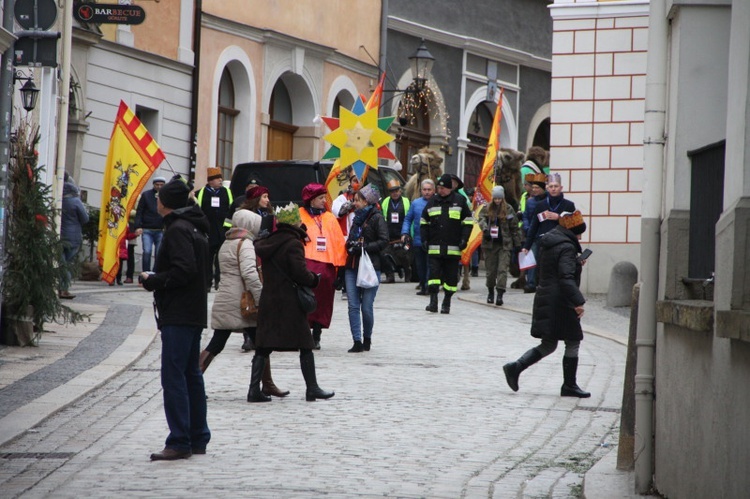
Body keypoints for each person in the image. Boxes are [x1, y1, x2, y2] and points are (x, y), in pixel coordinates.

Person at [140, 175, 211, 460]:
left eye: (160, 197)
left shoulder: (178, 229)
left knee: (175, 376)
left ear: (167, 202)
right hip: (192, 311)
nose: (156, 199)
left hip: (180, 313)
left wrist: (153, 279)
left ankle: (180, 440)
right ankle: (197, 437)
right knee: (191, 374)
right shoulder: (194, 226)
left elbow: (184, 271)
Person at [249, 203, 334, 403]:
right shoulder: (293, 243)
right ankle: (312, 388)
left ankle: (253, 390)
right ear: (293, 221)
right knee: (305, 345)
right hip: (289, 303)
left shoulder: (267, 242)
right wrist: (315, 279)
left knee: (263, 347)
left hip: (270, 300)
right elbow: (300, 273)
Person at [198, 209, 288, 397]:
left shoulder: (228, 242)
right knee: (261, 344)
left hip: (226, 299)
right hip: (242, 303)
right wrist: (261, 297)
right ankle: (264, 385)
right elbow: (249, 274)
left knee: (218, 343)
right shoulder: (245, 244)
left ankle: (193, 381)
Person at [502, 210, 591, 398]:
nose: (580, 236)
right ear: (573, 231)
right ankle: (569, 385)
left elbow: (550, 270)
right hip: (561, 300)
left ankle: (515, 367)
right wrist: (578, 301)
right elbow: (565, 278)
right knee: (573, 340)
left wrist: (575, 263)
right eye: (579, 232)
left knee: (550, 343)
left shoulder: (550, 242)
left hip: (547, 296)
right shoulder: (567, 247)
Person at [299, 183, 347, 350]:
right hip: (304, 265)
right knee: (302, 301)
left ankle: (316, 334)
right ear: (311, 200)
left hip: (326, 268)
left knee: (323, 302)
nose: (323, 201)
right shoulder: (299, 215)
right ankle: (303, 333)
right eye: (320, 198)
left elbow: (338, 243)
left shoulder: (329, 218)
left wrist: (340, 269)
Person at [343, 184, 389, 353]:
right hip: (352, 266)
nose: (354, 203)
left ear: (367, 201)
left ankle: (367, 337)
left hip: (371, 267)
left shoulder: (377, 218)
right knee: (353, 306)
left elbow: (384, 241)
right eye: (354, 200)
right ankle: (356, 341)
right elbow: (350, 238)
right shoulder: (356, 218)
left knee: (366, 307)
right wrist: (350, 245)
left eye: (358, 200)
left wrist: (364, 247)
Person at [420, 174, 473, 314]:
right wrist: (424, 239)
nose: (440, 190)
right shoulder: (433, 201)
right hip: (434, 248)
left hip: (453, 249)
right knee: (433, 277)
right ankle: (433, 302)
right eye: (439, 187)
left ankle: (447, 302)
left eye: (443, 188)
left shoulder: (460, 201)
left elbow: (468, 222)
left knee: (451, 279)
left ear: (450, 188)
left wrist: (464, 239)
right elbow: (424, 222)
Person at [521, 173, 576, 294]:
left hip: (563, 244)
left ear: (561, 188)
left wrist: (559, 218)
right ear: (547, 188)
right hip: (544, 245)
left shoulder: (569, 205)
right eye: (551, 186)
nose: (553, 188)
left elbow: (575, 227)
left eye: (556, 186)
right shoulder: (541, 205)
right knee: (544, 276)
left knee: (561, 273)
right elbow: (534, 226)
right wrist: (526, 246)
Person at [478, 185, 522, 306]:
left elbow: (514, 227)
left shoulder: (508, 209)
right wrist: (485, 230)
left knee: (502, 270)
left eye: (499, 199)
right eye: (495, 198)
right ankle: (490, 292)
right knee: (491, 271)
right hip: (490, 244)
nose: (497, 201)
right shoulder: (486, 208)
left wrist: (517, 243)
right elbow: (480, 219)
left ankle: (500, 293)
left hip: (504, 244)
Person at [195, 167, 234, 291]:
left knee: (220, 258)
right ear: (211, 181)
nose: (221, 180)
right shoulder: (201, 193)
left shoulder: (226, 192)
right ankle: (207, 282)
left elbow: (231, 211)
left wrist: (227, 228)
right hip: (208, 231)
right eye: (218, 178)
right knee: (208, 257)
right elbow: (198, 211)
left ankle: (218, 281)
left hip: (222, 230)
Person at [401, 178, 435, 295]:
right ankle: (423, 283)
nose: (427, 192)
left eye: (429, 190)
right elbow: (407, 219)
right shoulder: (415, 203)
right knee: (420, 266)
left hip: (433, 240)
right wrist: (405, 233)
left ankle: (427, 286)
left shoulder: (438, 202)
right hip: (418, 240)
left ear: (433, 190)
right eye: (424, 190)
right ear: (421, 191)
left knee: (430, 265)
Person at [60, 175, 89, 299]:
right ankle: (64, 289)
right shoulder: (76, 201)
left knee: (61, 262)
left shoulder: (59, 199)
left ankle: (58, 287)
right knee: (67, 264)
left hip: (59, 236)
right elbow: (85, 218)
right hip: (73, 238)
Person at [380, 179, 410, 283]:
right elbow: (382, 218)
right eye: (392, 191)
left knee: (404, 255)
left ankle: (407, 273)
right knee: (385, 254)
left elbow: (409, 218)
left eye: (396, 191)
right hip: (389, 234)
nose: (395, 193)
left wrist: (407, 233)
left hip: (402, 234)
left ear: (400, 191)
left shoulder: (406, 201)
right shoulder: (385, 202)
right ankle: (390, 275)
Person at [134, 176, 165, 273]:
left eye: (161, 185)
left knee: (158, 253)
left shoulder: (166, 196)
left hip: (160, 229)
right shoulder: (146, 195)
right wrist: (138, 226)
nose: (159, 187)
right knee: (147, 251)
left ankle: (156, 273)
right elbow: (139, 211)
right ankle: (145, 274)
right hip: (147, 229)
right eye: (157, 185)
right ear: (153, 185)